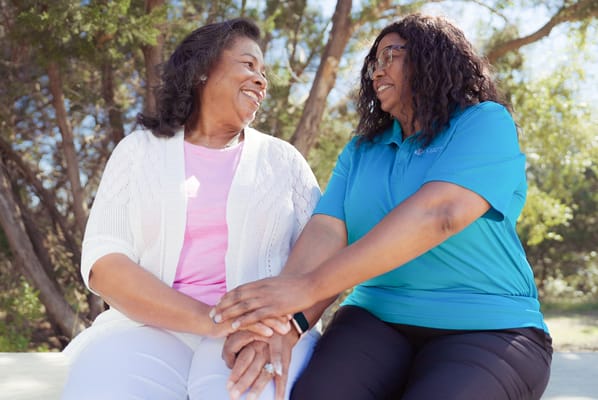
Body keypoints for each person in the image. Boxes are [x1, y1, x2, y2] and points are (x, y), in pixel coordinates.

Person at [211, 13, 553, 400]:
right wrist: (284, 324)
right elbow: (327, 230)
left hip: (489, 326)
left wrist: (305, 289)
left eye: (391, 54)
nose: (377, 70)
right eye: (374, 61)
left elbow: (439, 214)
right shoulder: (362, 149)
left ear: (433, 57)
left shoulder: (483, 122)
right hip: (377, 319)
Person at [61, 18, 320, 400]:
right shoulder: (138, 152)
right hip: (148, 329)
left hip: (259, 333)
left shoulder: (284, 161)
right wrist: (211, 321)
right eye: (249, 65)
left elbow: (323, 259)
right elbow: (104, 264)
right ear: (202, 70)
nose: (262, 81)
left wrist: (286, 325)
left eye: (264, 72)